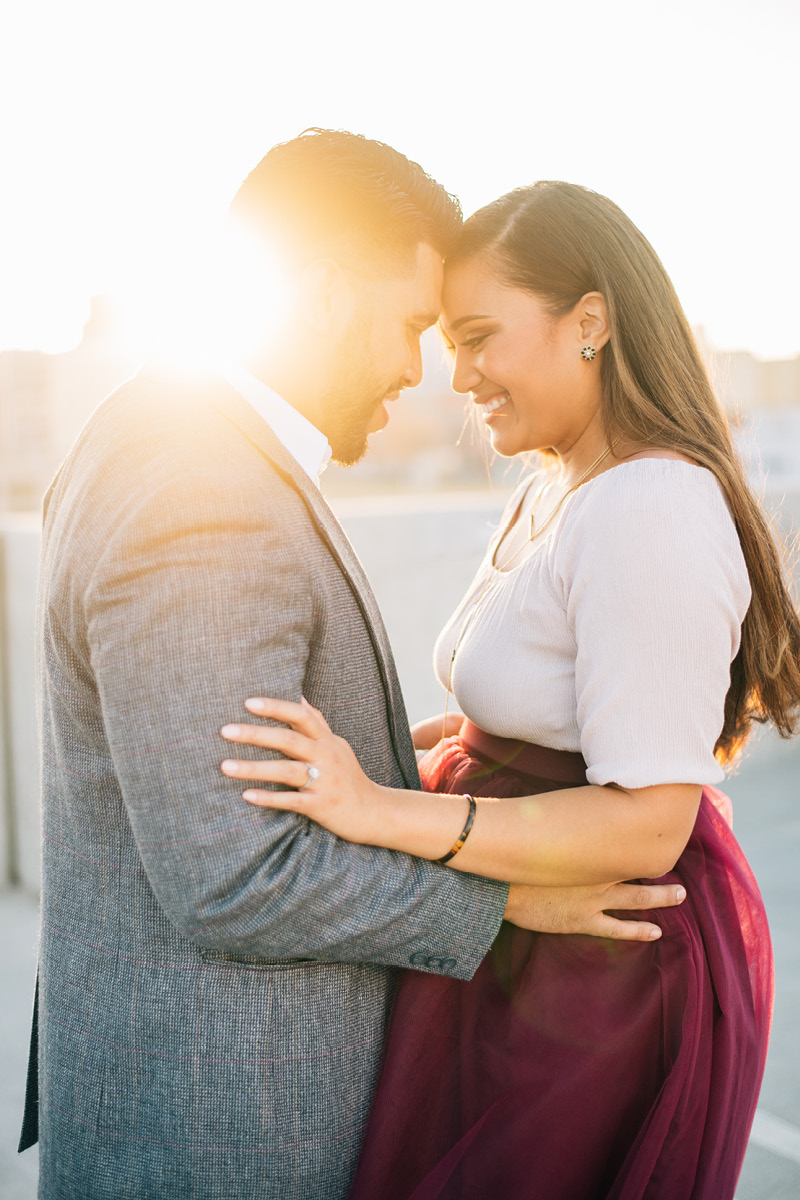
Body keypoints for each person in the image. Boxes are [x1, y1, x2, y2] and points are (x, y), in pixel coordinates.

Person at [19, 141, 682, 1200]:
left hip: (184, 1101)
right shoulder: (204, 487)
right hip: (230, 1133)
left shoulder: (161, 435)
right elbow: (234, 875)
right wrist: (501, 902)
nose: (422, 369)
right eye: (411, 324)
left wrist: (380, 754)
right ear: (325, 296)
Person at [220, 182, 800, 1199]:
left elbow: (643, 826)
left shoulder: (649, 502)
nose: (458, 375)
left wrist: (379, 809)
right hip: (530, 944)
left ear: (590, 322)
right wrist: (474, 740)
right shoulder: (562, 487)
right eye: (448, 341)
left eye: (479, 335)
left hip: (600, 972)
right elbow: (562, 706)